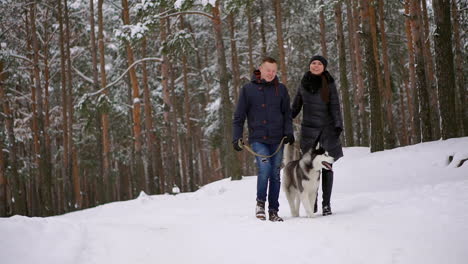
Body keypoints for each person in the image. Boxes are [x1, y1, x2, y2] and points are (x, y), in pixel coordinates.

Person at [232, 57, 294, 222]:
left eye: (274, 71)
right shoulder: (248, 89)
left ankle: (273, 210)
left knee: (275, 173)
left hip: (277, 138)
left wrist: (289, 132)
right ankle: (260, 204)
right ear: (260, 69)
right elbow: (239, 116)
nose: (271, 73)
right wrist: (236, 137)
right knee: (265, 169)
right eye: (268, 70)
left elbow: (287, 114)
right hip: (258, 138)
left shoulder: (281, 89)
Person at [291, 55, 344, 216]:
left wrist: (337, 126)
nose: (315, 66)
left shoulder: (330, 83)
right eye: (313, 63)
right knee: (310, 168)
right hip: (309, 131)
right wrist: (285, 120)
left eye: (319, 63)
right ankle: (311, 203)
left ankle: (326, 205)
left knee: (327, 167)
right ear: (309, 66)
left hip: (327, 130)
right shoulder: (303, 83)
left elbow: (335, 105)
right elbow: (296, 106)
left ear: (324, 67)